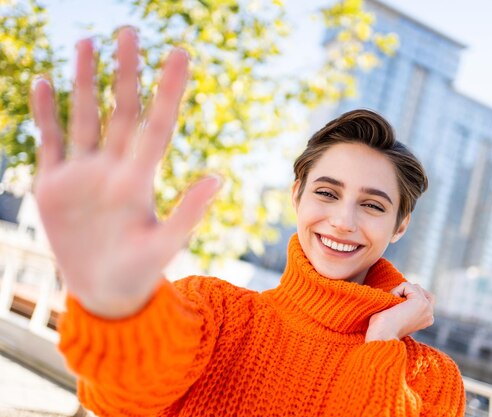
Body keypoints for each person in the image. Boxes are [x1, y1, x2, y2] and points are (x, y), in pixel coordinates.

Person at [30, 28, 465, 416]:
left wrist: (382, 340)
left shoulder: (430, 380)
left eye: (372, 205)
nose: (342, 221)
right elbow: (117, 397)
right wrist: (119, 305)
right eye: (327, 193)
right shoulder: (215, 313)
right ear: (296, 195)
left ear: (400, 225)